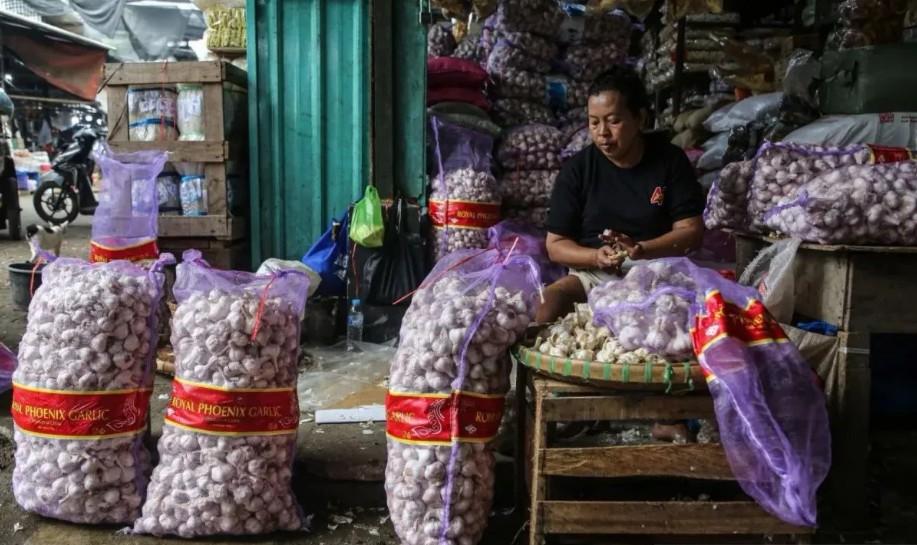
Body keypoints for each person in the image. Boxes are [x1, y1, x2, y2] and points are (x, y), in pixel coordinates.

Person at [536, 66, 705, 324]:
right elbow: (555, 245)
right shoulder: (577, 170)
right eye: (594, 122)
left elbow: (690, 230)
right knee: (547, 306)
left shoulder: (670, 161)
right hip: (592, 276)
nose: (602, 132)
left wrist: (641, 249)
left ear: (640, 119)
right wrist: (595, 257)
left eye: (613, 121)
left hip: (657, 273)